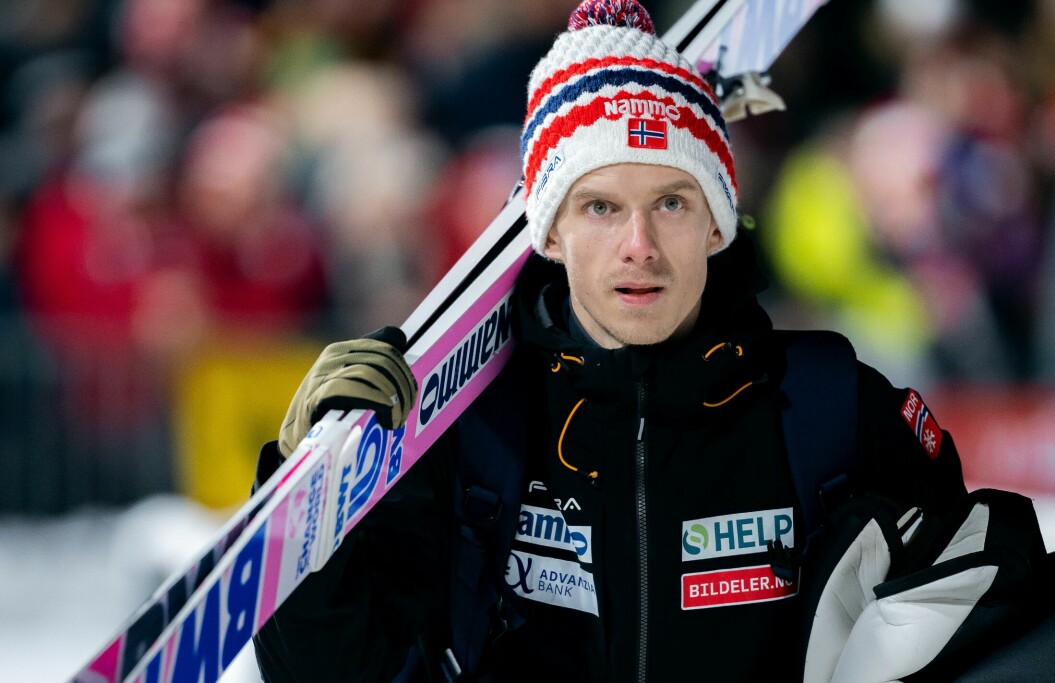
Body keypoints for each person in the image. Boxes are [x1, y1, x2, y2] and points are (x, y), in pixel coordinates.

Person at [250, 1, 977, 681]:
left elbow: (987, 606)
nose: (640, 245)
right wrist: (305, 497)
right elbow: (342, 671)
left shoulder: (832, 409)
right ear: (551, 232)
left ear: (716, 224)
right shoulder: (477, 434)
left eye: (671, 201)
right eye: (601, 206)